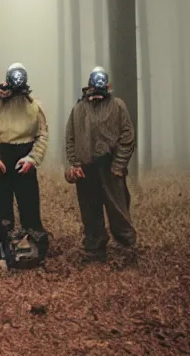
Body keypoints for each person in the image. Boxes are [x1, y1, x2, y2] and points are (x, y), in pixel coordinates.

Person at [0, 63, 49, 266]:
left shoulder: (34, 106)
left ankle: (34, 248)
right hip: (0, 158)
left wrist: (32, 159)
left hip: (24, 158)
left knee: (29, 204)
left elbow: (42, 135)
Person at [64, 66, 136, 262]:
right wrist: (75, 163)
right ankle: (94, 249)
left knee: (118, 209)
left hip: (110, 167)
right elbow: (70, 138)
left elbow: (127, 137)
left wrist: (119, 165)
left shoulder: (118, 106)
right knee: (89, 210)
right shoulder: (78, 109)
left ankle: (126, 250)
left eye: (101, 82)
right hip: (86, 168)